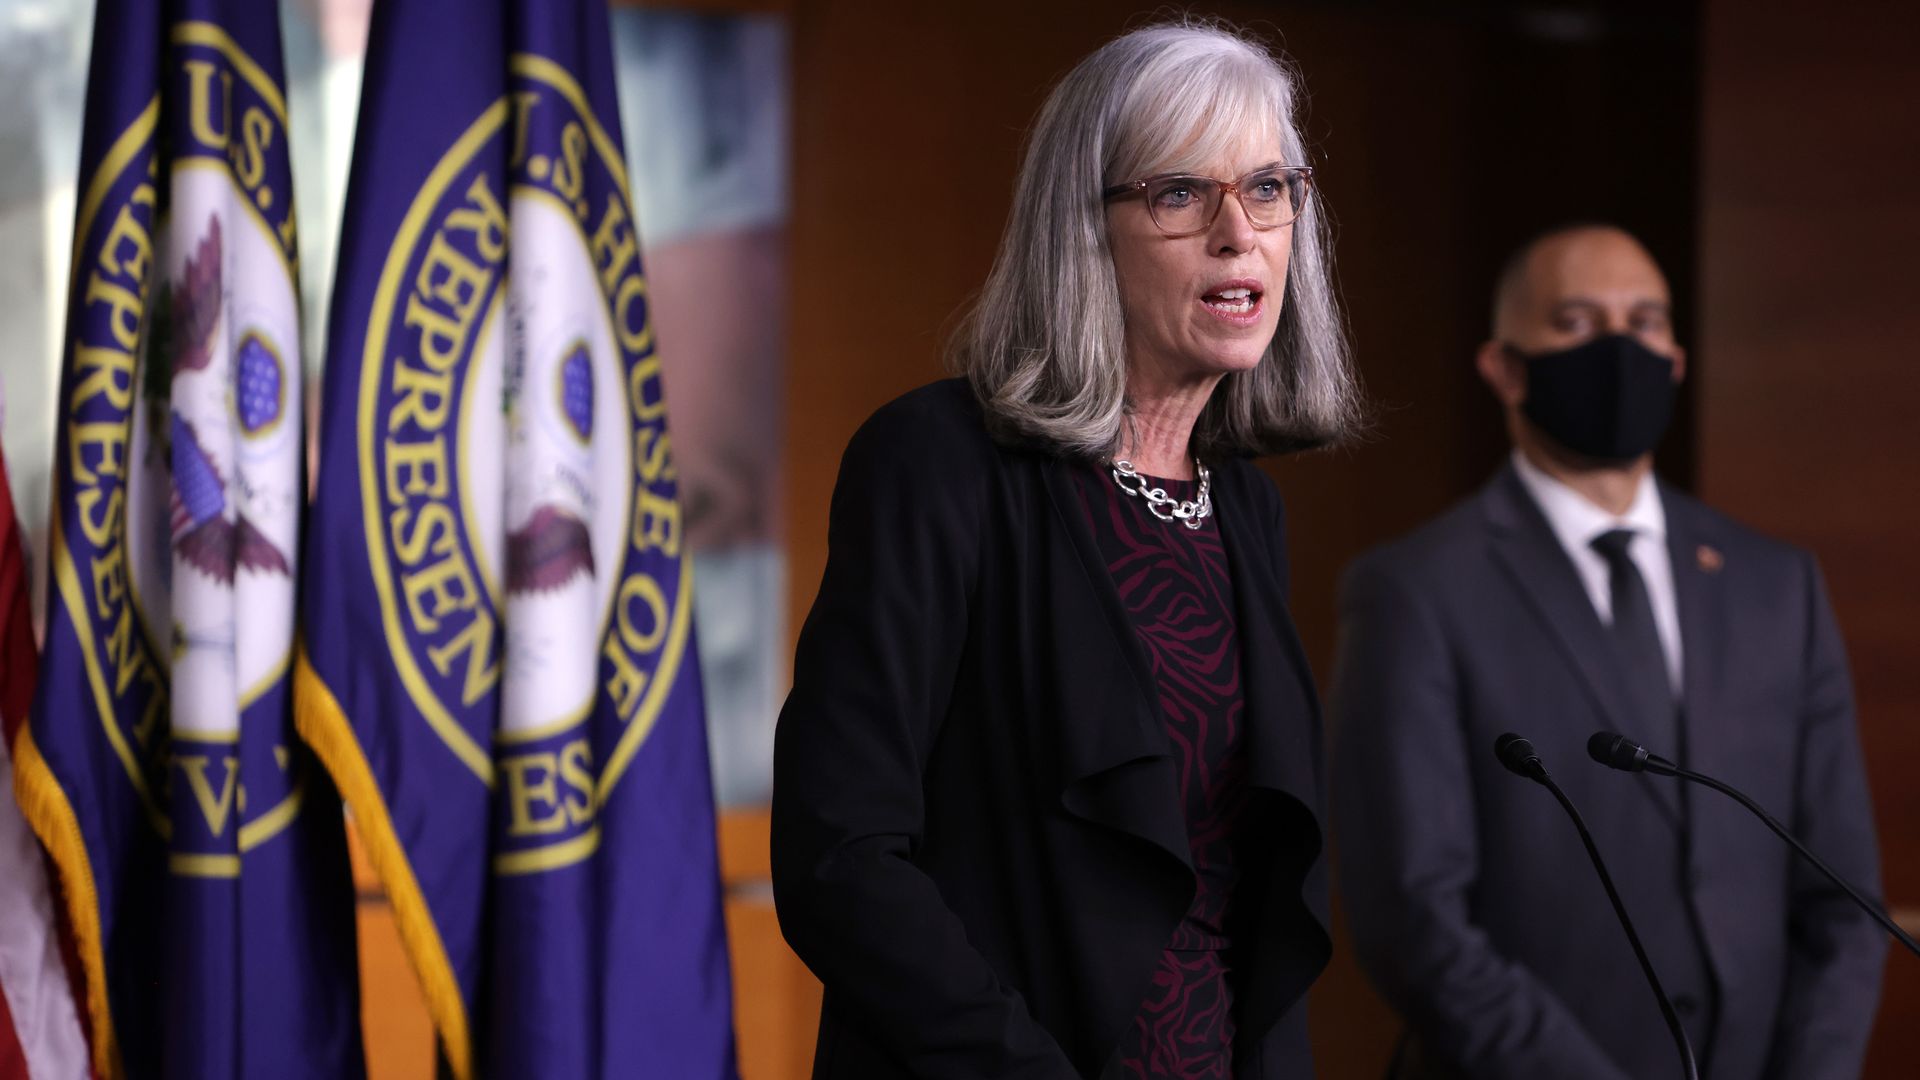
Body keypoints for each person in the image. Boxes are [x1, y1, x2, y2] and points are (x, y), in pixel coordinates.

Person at [770, 20, 1364, 1079]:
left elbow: (1249, 898)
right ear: (1081, 230)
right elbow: (841, 856)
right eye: (1182, 193)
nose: (1241, 235)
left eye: (1269, 188)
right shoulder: (937, 464)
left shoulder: (1245, 512)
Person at [1330, 223, 1888, 1079]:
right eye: (1579, 324)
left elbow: (1844, 900)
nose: (1620, 347)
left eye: (1646, 321)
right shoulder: (1415, 592)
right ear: (1505, 367)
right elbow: (1415, 919)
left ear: (1676, 358)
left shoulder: (1779, 586)